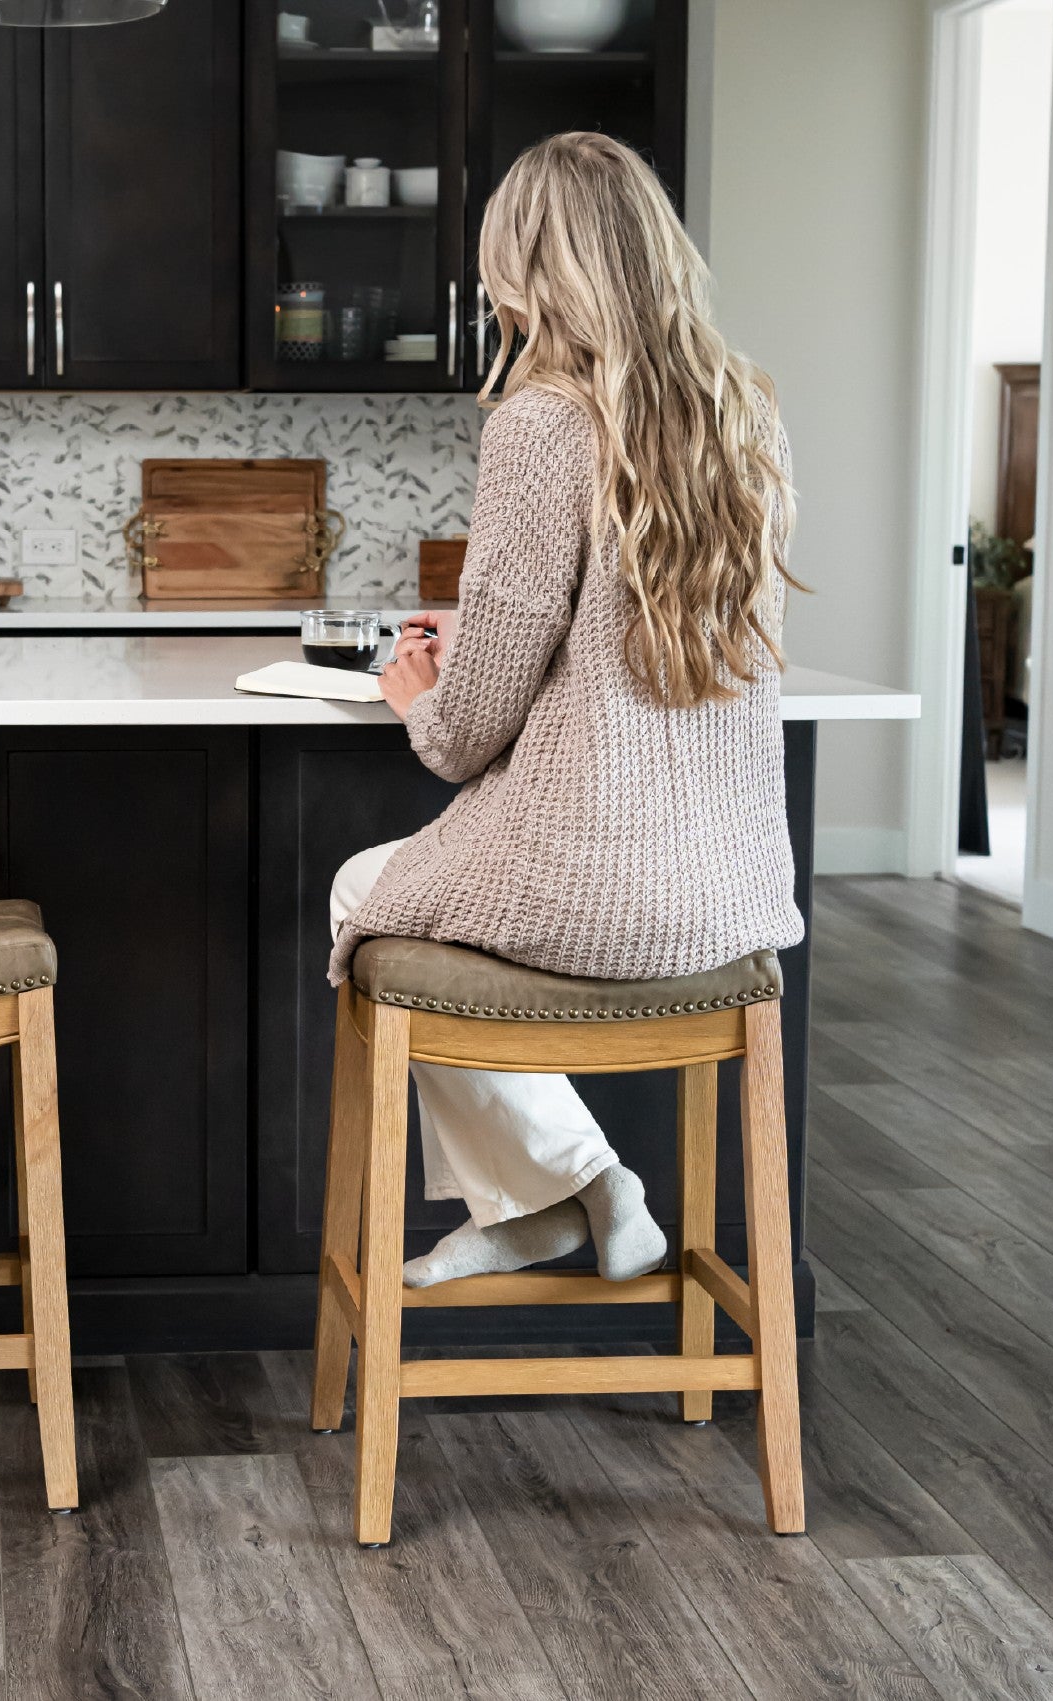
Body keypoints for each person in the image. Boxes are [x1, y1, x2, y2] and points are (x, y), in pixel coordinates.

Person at [330, 131, 803, 1289]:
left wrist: (417, 695)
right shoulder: (748, 418)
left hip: (594, 890)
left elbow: (468, 731)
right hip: (730, 901)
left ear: (528, 268)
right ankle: (564, 1195)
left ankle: (574, 1185)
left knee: (366, 890)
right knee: (405, 896)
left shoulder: (541, 424)